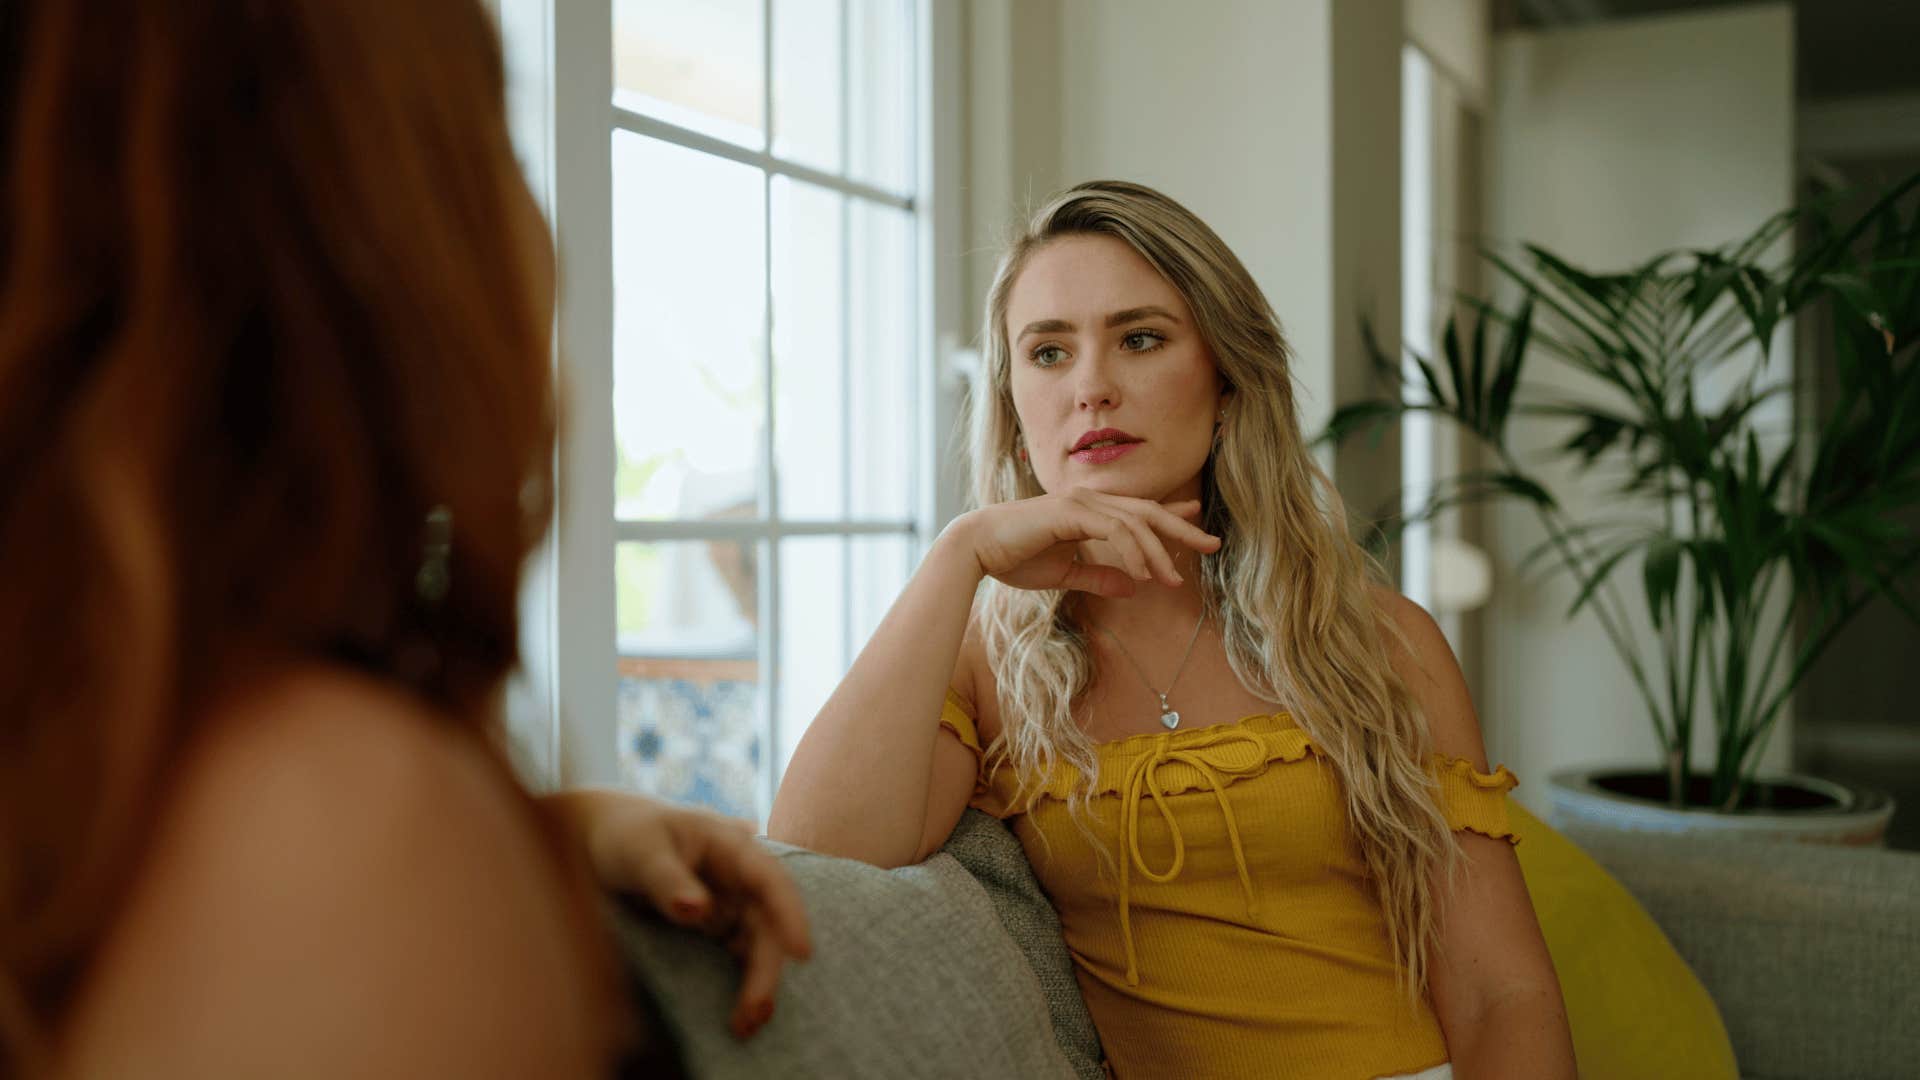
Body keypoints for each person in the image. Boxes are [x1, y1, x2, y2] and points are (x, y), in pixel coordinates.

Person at [0, 2, 807, 1077]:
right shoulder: (337, 832)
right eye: (498, 132)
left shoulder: (106, 735)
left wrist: (564, 828)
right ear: (368, 222)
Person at [766, 181, 1578, 1079]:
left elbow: (1503, 994)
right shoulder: (985, 666)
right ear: (1013, 404)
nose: (1092, 389)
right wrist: (960, 556)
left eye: (1140, 339)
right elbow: (817, 855)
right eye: (1047, 353)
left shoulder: (1377, 639)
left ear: (1226, 380)